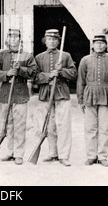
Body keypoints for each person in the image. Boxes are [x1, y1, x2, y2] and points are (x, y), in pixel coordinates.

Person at [0, 28, 37, 165]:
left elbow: (33, 72)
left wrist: (20, 70)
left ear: (20, 39)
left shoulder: (27, 55)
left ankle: (19, 153)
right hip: (6, 93)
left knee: (19, 124)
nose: (13, 39)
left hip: (20, 93)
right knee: (7, 124)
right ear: (7, 39)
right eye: (10, 36)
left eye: (16, 37)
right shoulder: (1, 55)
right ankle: (10, 152)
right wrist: (7, 74)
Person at [34, 29, 77, 167]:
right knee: (49, 125)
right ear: (45, 41)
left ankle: (64, 156)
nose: (52, 41)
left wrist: (61, 71)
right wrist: (49, 75)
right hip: (46, 94)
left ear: (58, 41)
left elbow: (73, 74)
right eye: (49, 39)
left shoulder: (65, 55)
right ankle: (53, 153)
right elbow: (34, 77)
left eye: (54, 39)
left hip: (61, 94)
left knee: (63, 125)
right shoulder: (39, 57)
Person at [77, 34, 108, 167]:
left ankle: (102, 156)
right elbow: (81, 81)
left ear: (106, 45)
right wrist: (81, 100)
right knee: (90, 128)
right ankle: (91, 156)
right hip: (90, 96)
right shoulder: (85, 60)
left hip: (106, 97)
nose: (99, 45)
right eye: (97, 43)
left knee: (104, 128)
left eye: (102, 43)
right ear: (93, 45)